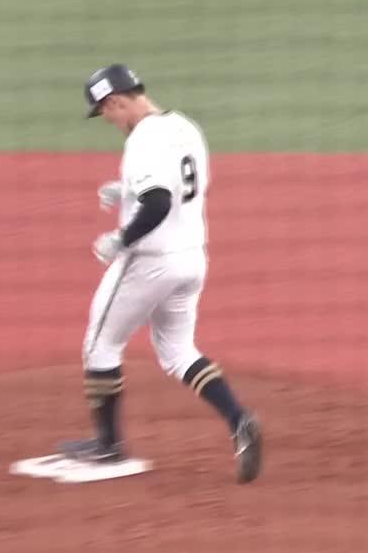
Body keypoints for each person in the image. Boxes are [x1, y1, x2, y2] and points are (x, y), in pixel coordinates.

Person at [61, 63, 263, 484]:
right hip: (191, 259)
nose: (108, 121)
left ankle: (108, 445)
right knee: (177, 351)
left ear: (116, 101)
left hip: (150, 262)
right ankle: (239, 420)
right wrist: (126, 191)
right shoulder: (184, 127)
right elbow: (183, 188)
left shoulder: (142, 139)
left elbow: (158, 203)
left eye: (105, 112)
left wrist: (120, 238)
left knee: (100, 344)